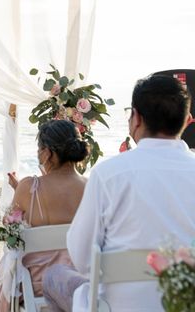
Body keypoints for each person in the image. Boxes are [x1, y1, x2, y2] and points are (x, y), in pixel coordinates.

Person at [44, 74, 195, 312]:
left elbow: (82, 258)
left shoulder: (108, 175)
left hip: (116, 307)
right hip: (185, 305)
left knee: (53, 276)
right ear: (187, 120)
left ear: (135, 118)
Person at [0, 119, 88, 311]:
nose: (37, 154)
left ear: (47, 153)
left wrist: (21, 190)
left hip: (36, 284)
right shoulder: (92, 186)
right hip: (80, 281)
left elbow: (9, 225)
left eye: (39, 149)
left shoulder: (30, 187)